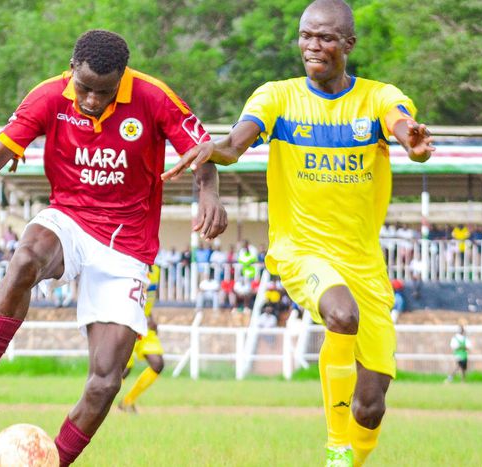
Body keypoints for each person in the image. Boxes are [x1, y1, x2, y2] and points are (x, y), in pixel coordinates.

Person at [0, 30, 227, 466]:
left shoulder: (154, 96)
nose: (91, 100)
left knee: (105, 383)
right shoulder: (48, 96)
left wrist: (208, 193)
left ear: (122, 77)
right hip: (69, 219)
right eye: (84, 88)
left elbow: (202, 151)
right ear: (71, 70)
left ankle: (54, 462)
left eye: (104, 92)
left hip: (127, 247)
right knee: (26, 257)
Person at [163, 1, 434, 465]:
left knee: (370, 406)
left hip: (364, 263)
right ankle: (335, 447)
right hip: (300, 250)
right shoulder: (277, 97)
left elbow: (402, 124)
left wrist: (413, 141)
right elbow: (235, 144)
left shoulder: (377, 97)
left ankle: (349, 458)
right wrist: (214, 149)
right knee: (341, 315)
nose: (313, 46)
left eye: (326, 37)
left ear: (348, 44)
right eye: (306, 36)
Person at [118, 265, 165, 413]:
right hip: (128, 323)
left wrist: (150, 317)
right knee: (124, 370)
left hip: (145, 326)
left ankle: (127, 402)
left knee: (157, 364)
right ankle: (96, 402)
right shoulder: (131, 265)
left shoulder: (156, 270)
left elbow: (147, 299)